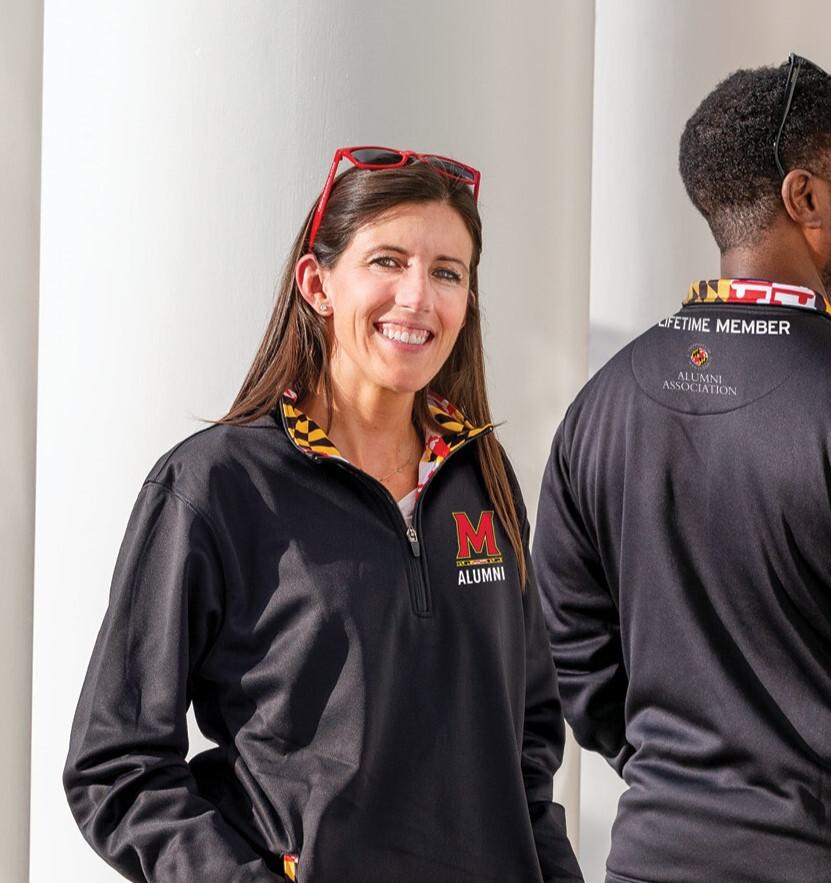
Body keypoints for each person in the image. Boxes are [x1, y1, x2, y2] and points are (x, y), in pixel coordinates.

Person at [533, 57, 831, 882]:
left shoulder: (599, 405)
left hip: (660, 857)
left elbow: (575, 655)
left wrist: (682, 783)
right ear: (805, 198)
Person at [64, 147, 582, 883]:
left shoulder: (482, 483)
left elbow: (527, 742)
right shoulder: (216, 484)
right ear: (317, 284)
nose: (416, 298)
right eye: (386, 261)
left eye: (446, 272)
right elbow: (113, 765)